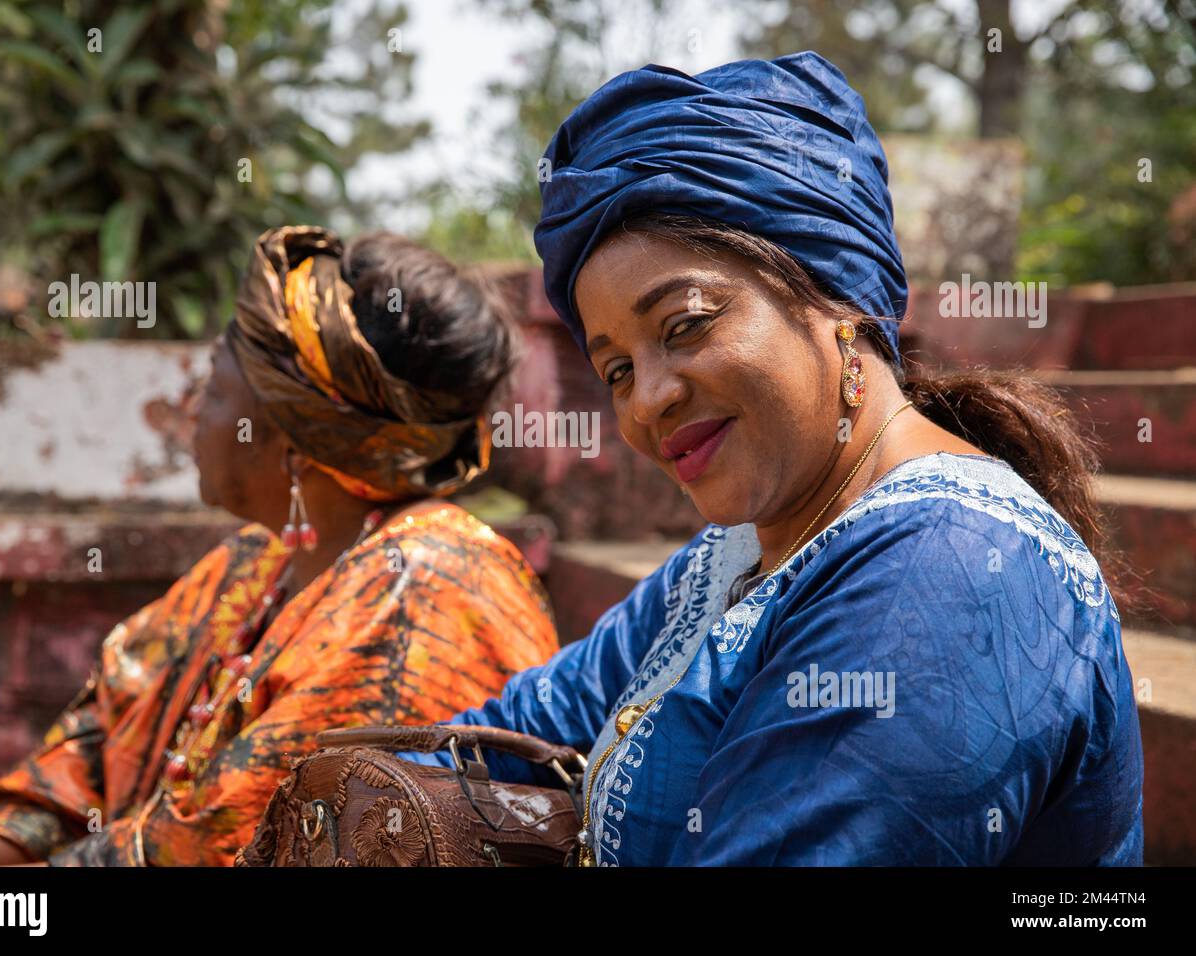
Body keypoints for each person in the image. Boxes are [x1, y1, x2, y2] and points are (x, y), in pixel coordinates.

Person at [407, 54, 1144, 865]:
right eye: (616, 369)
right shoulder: (736, 556)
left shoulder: (947, 572)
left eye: (685, 324)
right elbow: (510, 732)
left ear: (837, 297)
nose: (646, 400)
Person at [0, 226, 557, 866]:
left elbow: (216, 845)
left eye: (212, 385)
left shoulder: (417, 600)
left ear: (297, 437)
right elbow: (103, 736)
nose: (186, 406)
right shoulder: (258, 563)